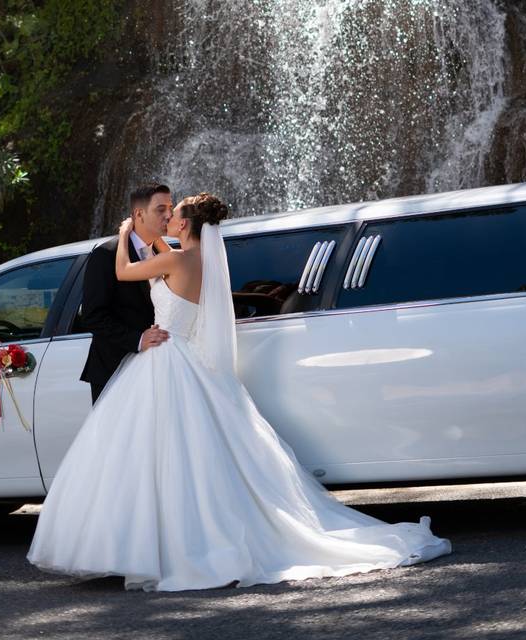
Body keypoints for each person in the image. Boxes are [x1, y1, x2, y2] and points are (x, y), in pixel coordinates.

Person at [28, 193, 451, 592]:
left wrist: (125, 233)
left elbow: (123, 272)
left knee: (161, 457)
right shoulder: (196, 261)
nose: (169, 217)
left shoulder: (173, 259)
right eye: (164, 210)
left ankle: (162, 544)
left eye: (174, 214)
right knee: (193, 457)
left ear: (188, 225)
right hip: (183, 359)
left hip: (167, 358)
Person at [79, 184, 173, 403]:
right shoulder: (106, 255)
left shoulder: (167, 254)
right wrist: (138, 339)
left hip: (160, 369)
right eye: (161, 209)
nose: (169, 215)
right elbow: (92, 316)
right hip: (115, 370)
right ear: (139, 214)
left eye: (171, 207)